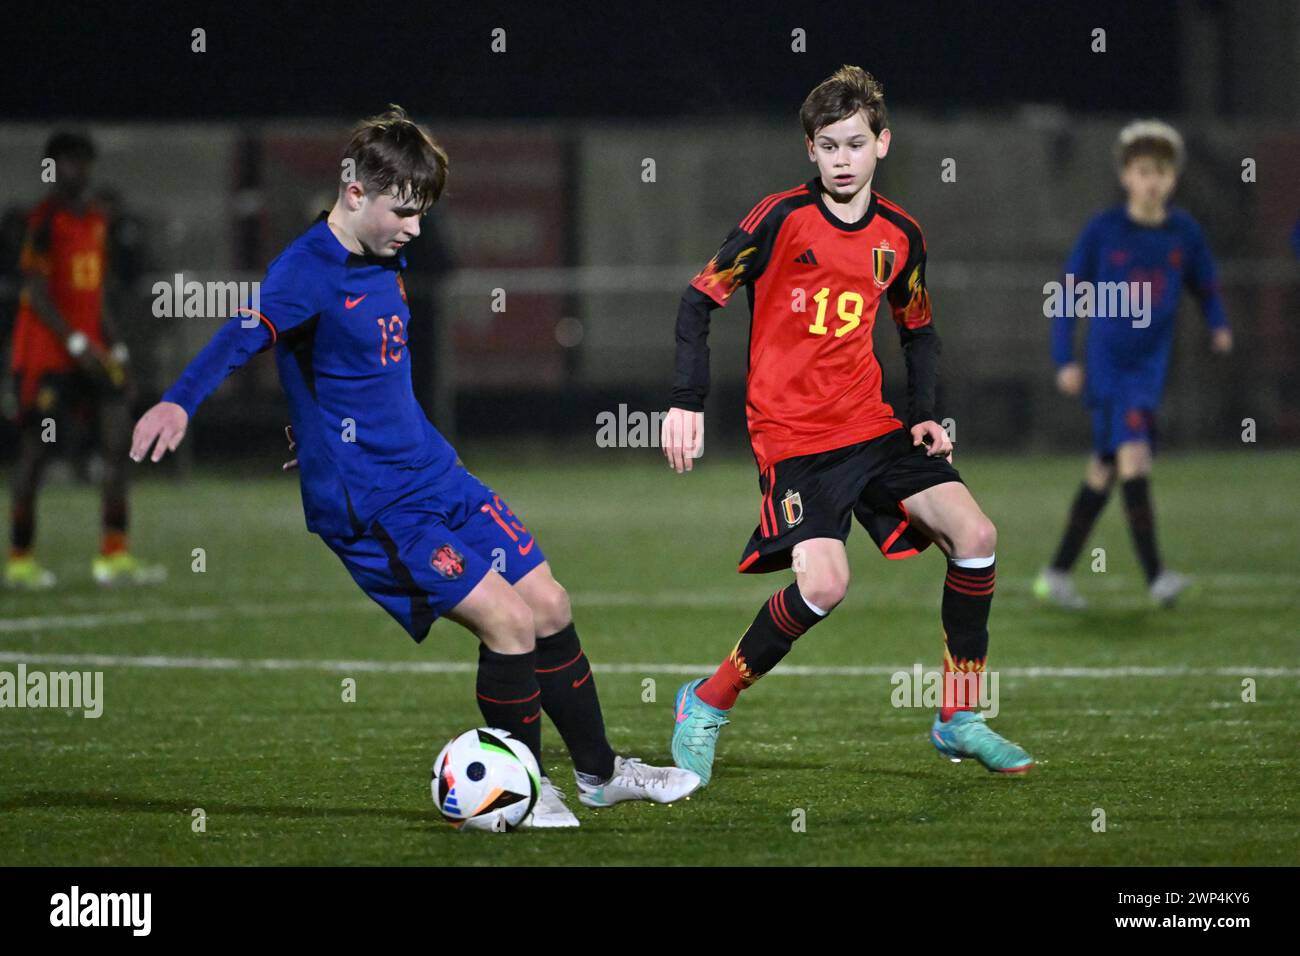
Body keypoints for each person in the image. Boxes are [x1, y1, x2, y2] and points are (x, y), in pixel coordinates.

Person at [130, 106, 699, 825]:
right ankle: (523, 789)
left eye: (423, 213)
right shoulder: (306, 267)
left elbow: (339, 365)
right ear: (355, 192)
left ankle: (600, 772)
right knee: (508, 623)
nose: (416, 230)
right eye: (404, 211)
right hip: (379, 505)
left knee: (551, 605)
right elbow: (245, 335)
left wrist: (315, 420)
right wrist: (179, 403)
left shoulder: (380, 247)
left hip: (435, 472)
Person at [661, 67, 1034, 785]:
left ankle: (958, 716)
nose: (841, 158)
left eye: (855, 143)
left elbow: (919, 331)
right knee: (826, 586)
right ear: (810, 150)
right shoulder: (777, 220)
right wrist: (685, 399)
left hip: (872, 424)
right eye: (827, 145)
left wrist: (924, 416)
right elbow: (696, 300)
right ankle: (705, 703)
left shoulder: (901, 235)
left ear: (881, 144)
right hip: (795, 439)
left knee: (977, 537)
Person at [1035, 120, 1232, 609]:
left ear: (1173, 178)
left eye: (1161, 173)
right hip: (1108, 369)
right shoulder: (1104, 231)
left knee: (1104, 469)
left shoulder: (1183, 232)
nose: (1152, 181)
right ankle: (1157, 577)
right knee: (1134, 458)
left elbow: (1205, 284)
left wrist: (1219, 324)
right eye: (1143, 171)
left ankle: (1056, 574)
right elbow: (1068, 294)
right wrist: (1064, 357)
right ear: (1126, 175)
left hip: (1150, 369)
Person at [6, 131, 163, 590]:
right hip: (48, 355)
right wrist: (75, 344)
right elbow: (34, 292)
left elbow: (98, 294)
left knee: (119, 443)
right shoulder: (43, 220)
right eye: (66, 161)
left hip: (92, 352)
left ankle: (113, 555)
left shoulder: (96, 219)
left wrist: (116, 348)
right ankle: (20, 559)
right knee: (35, 455)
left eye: (82, 161)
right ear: (51, 167)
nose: (76, 170)